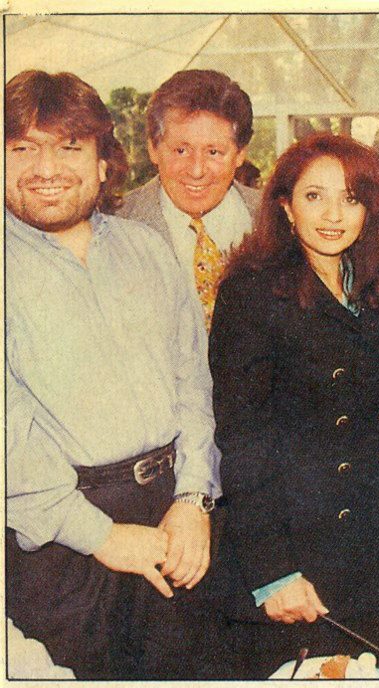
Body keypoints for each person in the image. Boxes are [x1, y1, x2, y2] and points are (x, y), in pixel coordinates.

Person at [5, 70, 219, 679]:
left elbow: (193, 384)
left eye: (69, 147)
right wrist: (101, 535)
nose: (46, 168)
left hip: (175, 523)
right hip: (58, 542)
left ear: (104, 162)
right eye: (22, 148)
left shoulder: (147, 250)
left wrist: (194, 497)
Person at [207, 132, 379, 678]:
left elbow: (359, 379)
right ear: (286, 207)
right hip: (306, 550)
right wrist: (274, 571)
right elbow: (242, 442)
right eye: (315, 196)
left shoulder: (372, 282)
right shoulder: (252, 293)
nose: (333, 215)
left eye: (350, 199)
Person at [117, 69, 260, 329]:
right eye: (181, 150)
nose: (196, 170)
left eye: (214, 152)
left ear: (240, 154)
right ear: (153, 148)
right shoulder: (114, 224)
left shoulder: (279, 219)